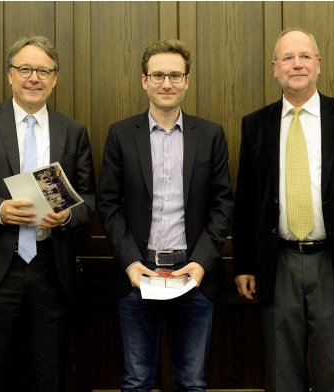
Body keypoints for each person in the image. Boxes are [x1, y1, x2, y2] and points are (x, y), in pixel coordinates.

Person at [233, 28, 334, 392]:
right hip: (278, 263)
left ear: (318, 64)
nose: (296, 64)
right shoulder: (255, 125)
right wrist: (244, 266)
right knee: (283, 376)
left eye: (304, 56)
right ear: (274, 68)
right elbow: (247, 201)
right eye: (287, 58)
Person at [0, 36, 95, 392]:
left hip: (51, 270)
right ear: (10, 75)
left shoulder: (72, 131)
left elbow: (88, 198)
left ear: (55, 78)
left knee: (48, 374)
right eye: (25, 69)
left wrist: (69, 216)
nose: (34, 77)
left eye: (44, 70)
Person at [97, 39, 233, 392]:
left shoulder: (211, 134)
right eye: (158, 75)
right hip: (138, 275)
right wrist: (130, 263)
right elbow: (108, 204)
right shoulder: (121, 134)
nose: (166, 83)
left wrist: (202, 262)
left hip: (193, 274)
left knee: (192, 382)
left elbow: (222, 203)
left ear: (187, 81)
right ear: (144, 81)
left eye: (175, 75)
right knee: (137, 380)